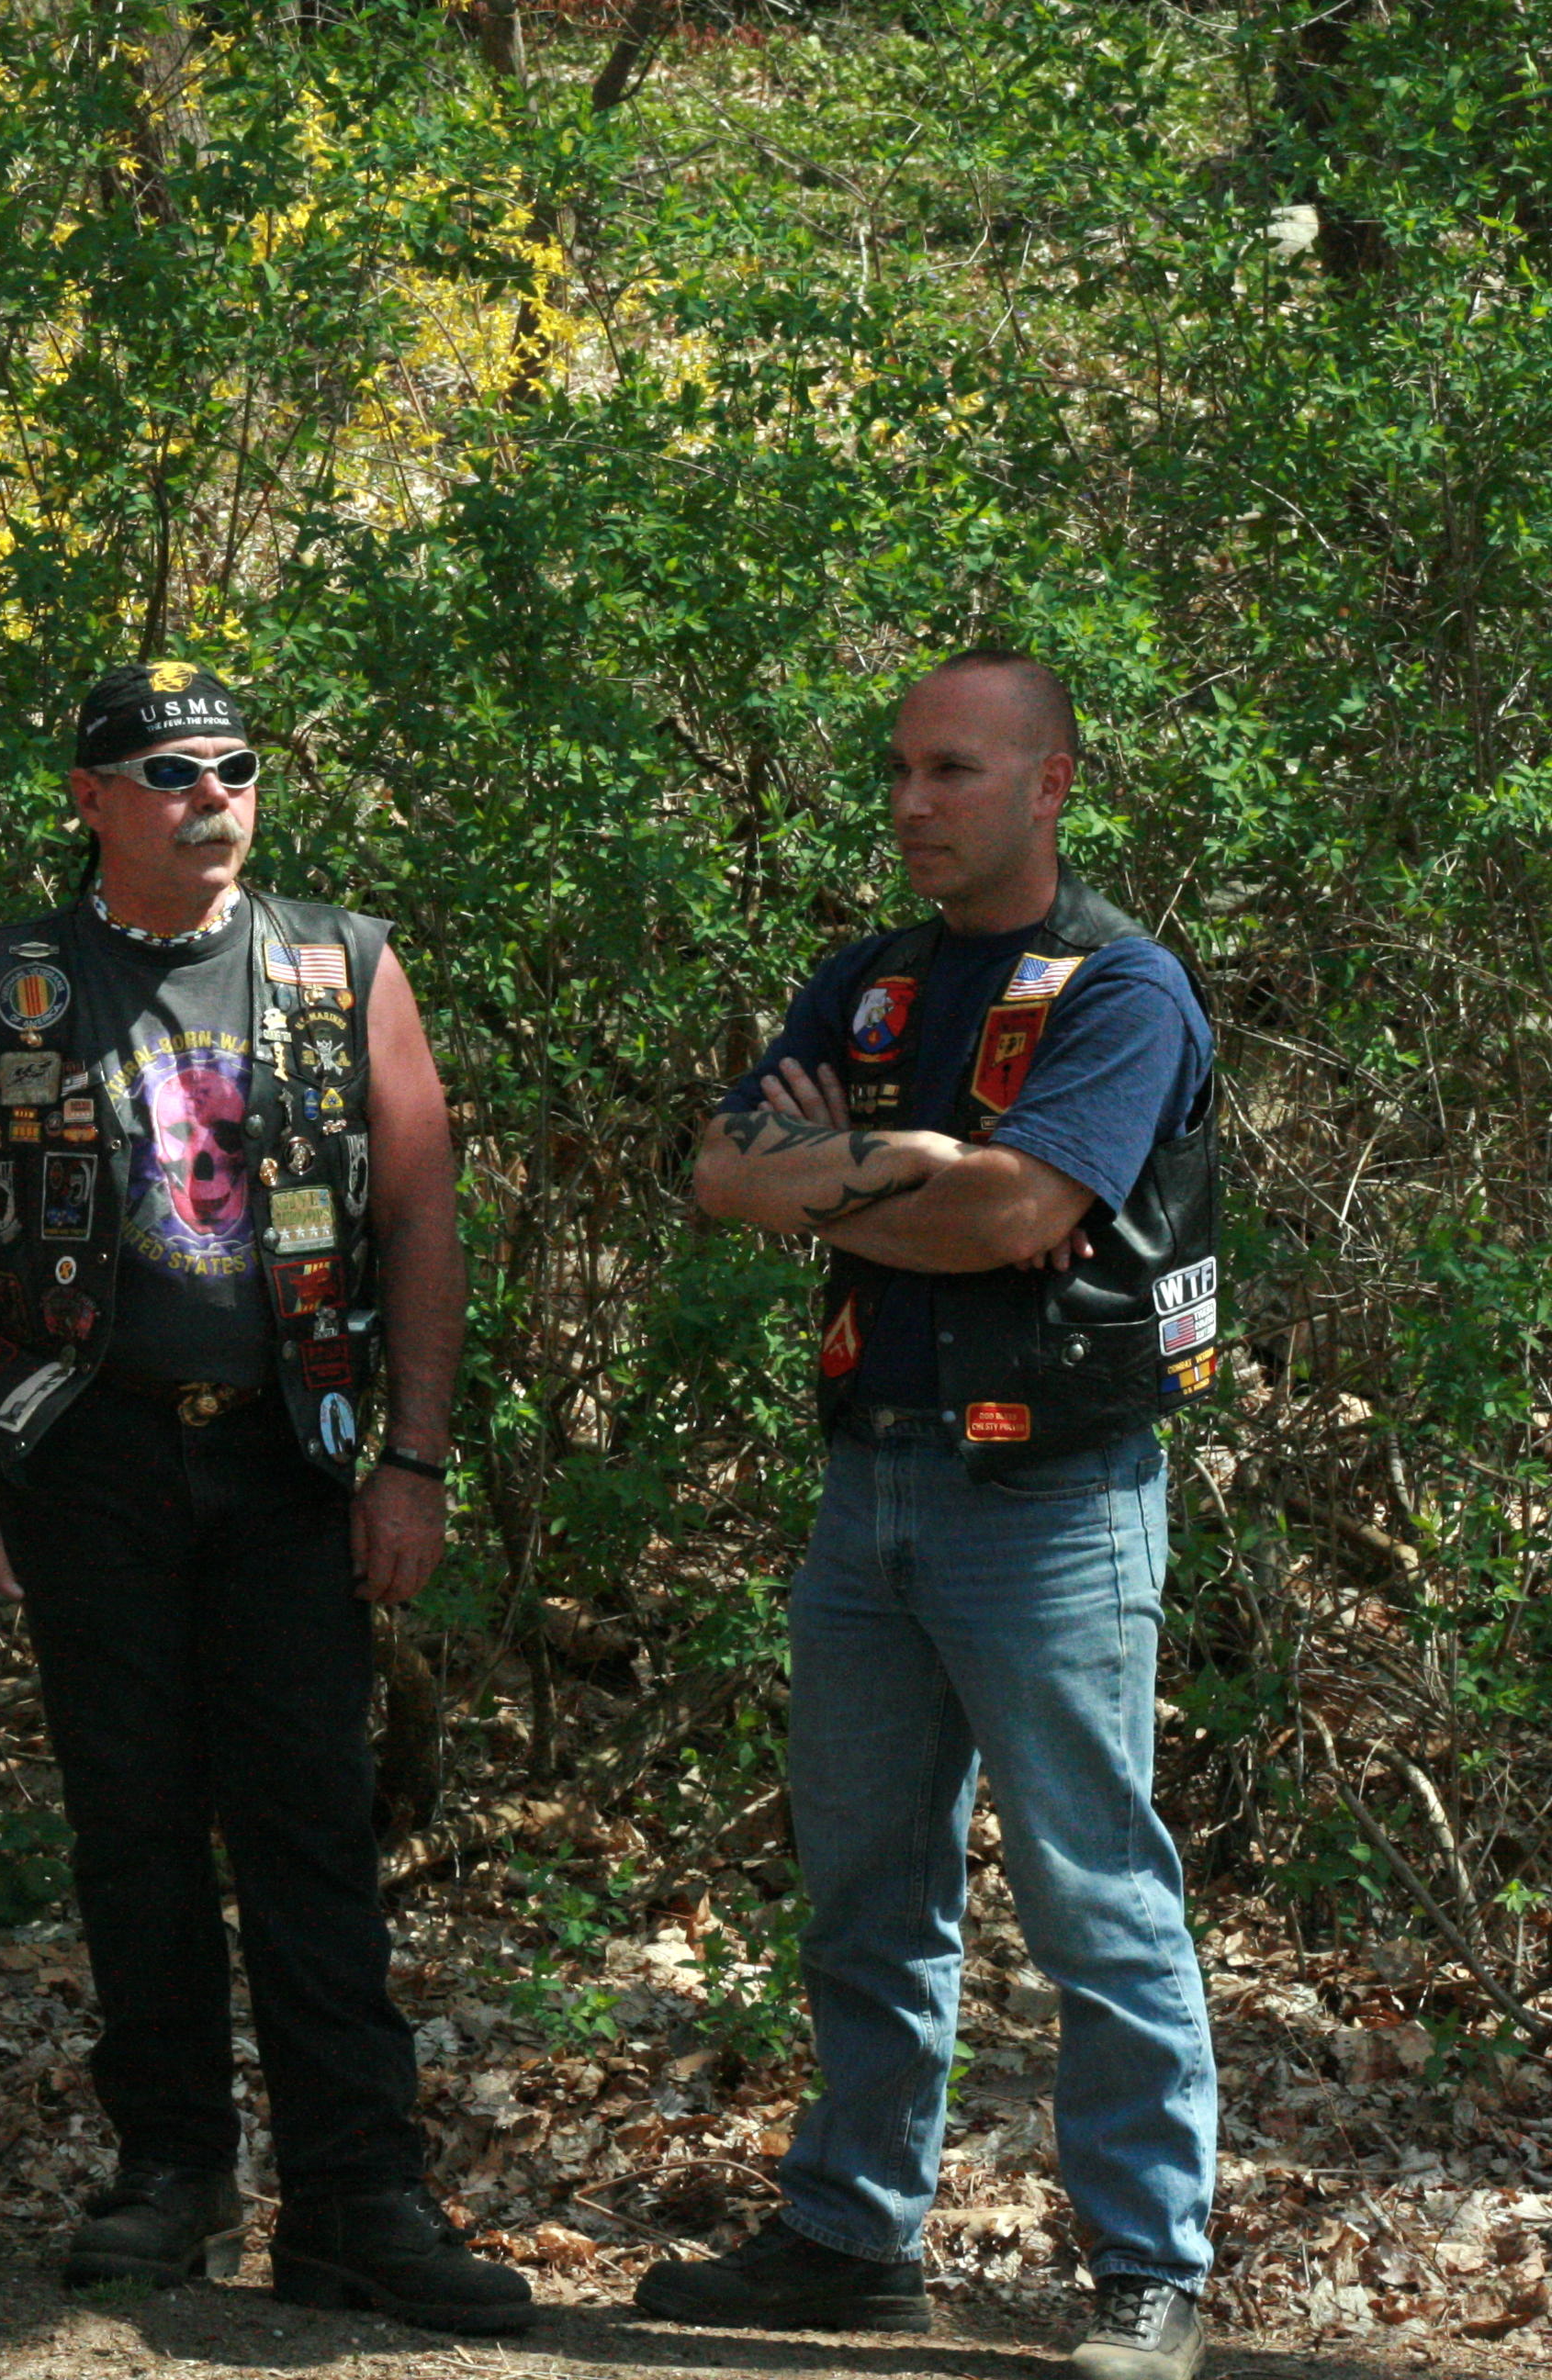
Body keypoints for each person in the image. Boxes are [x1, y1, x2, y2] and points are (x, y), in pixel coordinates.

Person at [0, 659, 528, 2331]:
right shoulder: (9, 984)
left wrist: (415, 1454)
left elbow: (421, 1214)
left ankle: (357, 2199)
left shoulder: (341, 962)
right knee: (133, 1826)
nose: (213, 798)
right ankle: (168, 2173)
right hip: (86, 1449)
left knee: (312, 1824)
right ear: (95, 799)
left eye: (236, 768)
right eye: (172, 773)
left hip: (288, 1450)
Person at [644, 650, 1219, 2380]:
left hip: (1047, 1495)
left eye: (953, 771)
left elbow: (1023, 1211)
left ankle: (1149, 2272)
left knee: (1092, 1893)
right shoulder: (870, 980)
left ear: (1049, 784)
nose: (910, 802)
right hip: (867, 1480)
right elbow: (716, 1170)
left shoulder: (1124, 990)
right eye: (899, 769)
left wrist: (836, 1180)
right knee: (867, 1889)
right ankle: (850, 2234)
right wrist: (907, 1181)